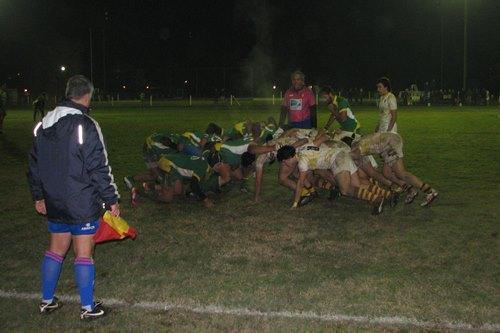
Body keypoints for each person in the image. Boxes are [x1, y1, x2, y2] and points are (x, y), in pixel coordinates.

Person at [27, 75, 120, 320]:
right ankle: (88, 308)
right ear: (88, 95)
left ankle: (47, 301)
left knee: (56, 249)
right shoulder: (86, 124)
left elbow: (34, 165)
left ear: (68, 93)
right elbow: (99, 166)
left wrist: (39, 195)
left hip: (54, 200)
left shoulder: (44, 122)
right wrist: (111, 199)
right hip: (80, 200)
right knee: (83, 252)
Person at [350, 132, 438, 206]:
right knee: (386, 172)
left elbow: (354, 156)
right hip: (386, 146)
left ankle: (430, 191)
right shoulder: (357, 148)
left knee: (400, 173)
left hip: (390, 143)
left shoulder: (356, 148)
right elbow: (371, 172)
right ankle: (410, 190)